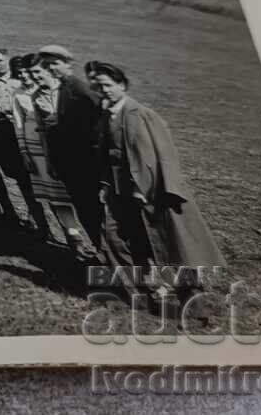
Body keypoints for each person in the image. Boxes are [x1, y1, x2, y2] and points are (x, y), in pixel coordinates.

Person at [86, 60, 226, 318]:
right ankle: (139, 294)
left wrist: (146, 190)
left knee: (170, 246)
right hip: (120, 193)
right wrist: (106, 185)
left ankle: (195, 304)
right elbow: (106, 156)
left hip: (152, 194)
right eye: (98, 85)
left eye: (108, 85)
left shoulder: (141, 114)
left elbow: (163, 155)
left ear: (122, 85)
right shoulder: (107, 114)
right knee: (115, 238)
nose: (103, 90)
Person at [38, 44, 104, 259]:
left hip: (85, 165)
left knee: (94, 214)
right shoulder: (64, 87)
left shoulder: (79, 89)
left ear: (68, 64)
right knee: (87, 213)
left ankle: (110, 256)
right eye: (46, 65)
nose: (50, 69)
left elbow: (96, 129)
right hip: (70, 165)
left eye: (54, 64)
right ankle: (104, 254)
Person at [0, 48, 48, 231]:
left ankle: (35, 220)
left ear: (6, 60)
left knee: (24, 178)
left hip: (21, 133)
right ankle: (8, 210)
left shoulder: (21, 79)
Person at [12, 54, 71, 244]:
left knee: (70, 195)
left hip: (60, 149)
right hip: (36, 150)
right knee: (54, 197)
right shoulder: (19, 94)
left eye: (29, 72)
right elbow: (18, 125)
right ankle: (73, 238)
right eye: (21, 74)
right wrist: (23, 152)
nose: (25, 77)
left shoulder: (54, 90)